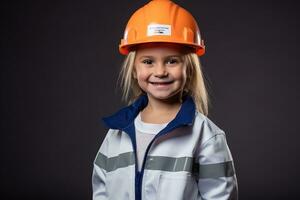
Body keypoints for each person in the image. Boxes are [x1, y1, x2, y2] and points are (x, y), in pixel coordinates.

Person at [92, 0, 238, 199]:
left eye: (172, 61)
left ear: (189, 68)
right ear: (134, 70)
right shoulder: (116, 134)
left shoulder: (206, 137)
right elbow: (102, 192)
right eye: (148, 61)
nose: (160, 72)